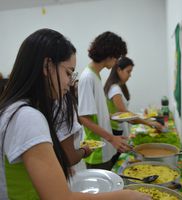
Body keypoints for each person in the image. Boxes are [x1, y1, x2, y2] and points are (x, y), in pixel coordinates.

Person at [0, 29, 151, 200]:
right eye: (68, 73)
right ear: (47, 66)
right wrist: (125, 196)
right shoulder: (27, 117)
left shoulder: (13, 110)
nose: (69, 83)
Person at [78, 31, 132, 170]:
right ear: (109, 55)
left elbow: (95, 113)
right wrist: (112, 138)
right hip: (96, 151)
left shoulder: (96, 76)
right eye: (116, 57)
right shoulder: (87, 77)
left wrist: (111, 116)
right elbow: (84, 118)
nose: (116, 62)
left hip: (104, 147)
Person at [104, 56, 164, 138]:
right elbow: (126, 115)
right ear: (119, 70)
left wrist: (146, 121)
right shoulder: (115, 89)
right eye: (128, 72)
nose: (130, 75)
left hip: (118, 129)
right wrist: (148, 123)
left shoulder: (118, 87)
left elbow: (128, 115)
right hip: (114, 131)